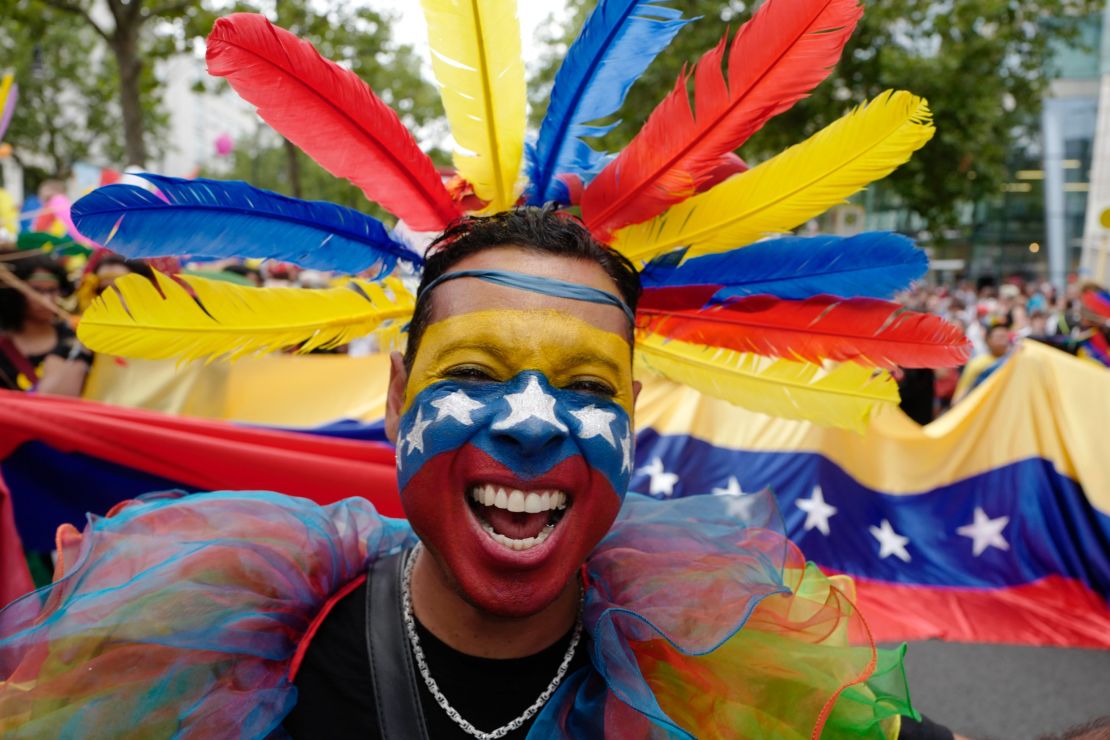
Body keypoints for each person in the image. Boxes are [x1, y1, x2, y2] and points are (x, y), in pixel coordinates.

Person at [0, 255, 90, 394]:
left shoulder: (75, 337)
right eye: (36, 290)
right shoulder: (3, 342)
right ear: (16, 292)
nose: (46, 300)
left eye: (52, 290)